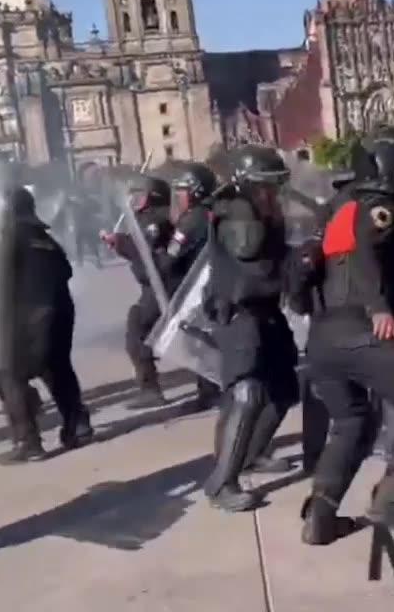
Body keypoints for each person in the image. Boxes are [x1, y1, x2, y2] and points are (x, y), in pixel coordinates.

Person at [293, 139, 394, 542]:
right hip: (359, 330)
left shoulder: (337, 207)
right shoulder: (378, 208)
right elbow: (364, 250)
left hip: (323, 338)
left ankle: (321, 516)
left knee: (352, 422)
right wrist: (378, 307)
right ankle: (389, 503)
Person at [203, 145, 300, 512]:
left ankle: (252, 454)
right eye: (266, 186)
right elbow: (255, 262)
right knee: (247, 393)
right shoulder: (239, 214)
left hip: (265, 313)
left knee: (283, 390)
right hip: (240, 315)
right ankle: (221, 484)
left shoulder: (260, 212)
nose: (273, 193)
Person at [0, 187, 94, 464]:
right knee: (57, 367)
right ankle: (78, 426)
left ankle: (28, 443)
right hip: (60, 312)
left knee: (7, 372)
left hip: (32, 316)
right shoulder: (44, 238)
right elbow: (66, 270)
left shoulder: (7, 239)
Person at [102, 174, 174, 409]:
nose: (133, 199)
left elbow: (146, 252)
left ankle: (150, 390)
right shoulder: (153, 217)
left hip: (163, 285)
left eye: (138, 194)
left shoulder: (155, 220)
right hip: (156, 284)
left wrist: (121, 242)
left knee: (138, 329)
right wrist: (119, 242)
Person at [157, 162, 224, 413]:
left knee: (197, 341)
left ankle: (211, 392)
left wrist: (155, 248)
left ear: (196, 191)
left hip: (199, 289)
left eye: (183, 190)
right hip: (214, 284)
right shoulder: (212, 211)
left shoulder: (192, 220)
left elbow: (169, 260)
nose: (178, 196)